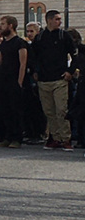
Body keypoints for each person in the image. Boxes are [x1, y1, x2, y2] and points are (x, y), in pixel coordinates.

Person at [30, 9, 77, 151]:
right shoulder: (40, 37)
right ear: (48, 20)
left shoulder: (64, 36)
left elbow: (74, 54)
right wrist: (34, 71)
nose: (59, 22)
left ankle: (66, 139)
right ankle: (54, 138)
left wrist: (70, 71)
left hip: (60, 79)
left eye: (59, 19)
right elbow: (33, 56)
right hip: (44, 80)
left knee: (61, 110)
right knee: (49, 111)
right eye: (56, 19)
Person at [0, 15, 28, 148]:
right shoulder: (4, 43)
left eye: (3, 24)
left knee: (15, 110)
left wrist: (20, 82)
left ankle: (17, 138)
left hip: (14, 80)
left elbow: (23, 64)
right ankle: (6, 137)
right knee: (3, 109)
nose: (0, 27)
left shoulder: (20, 43)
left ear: (10, 26)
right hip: (2, 79)